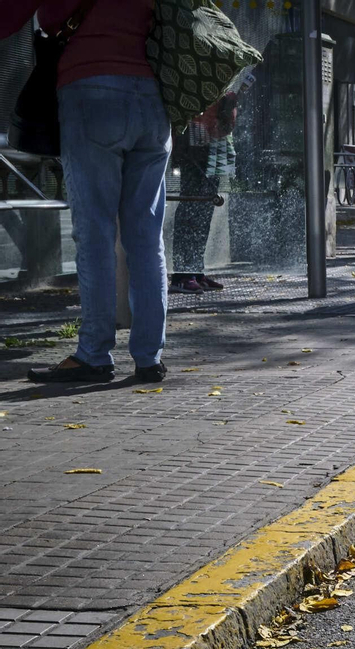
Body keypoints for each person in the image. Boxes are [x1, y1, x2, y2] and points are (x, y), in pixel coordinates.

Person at [6, 0, 171, 384]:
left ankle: (94, 354)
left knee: (94, 231)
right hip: (153, 97)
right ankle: (150, 358)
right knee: (146, 236)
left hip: (92, 90)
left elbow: (33, 15)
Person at [170, 91, 238, 294]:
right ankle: (182, 274)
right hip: (194, 141)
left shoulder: (225, 82)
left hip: (214, 144)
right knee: (191, 206)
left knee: (205, 208)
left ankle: (196, 270)